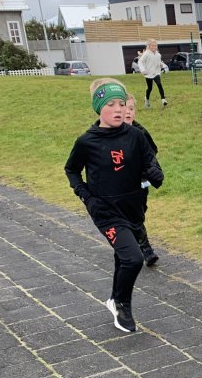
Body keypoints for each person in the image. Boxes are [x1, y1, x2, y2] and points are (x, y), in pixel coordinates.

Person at [65, 78, 163, 332]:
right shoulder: (87, 141)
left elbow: (149, 160)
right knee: (133, 258)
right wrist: (87, 197)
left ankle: (115, 298)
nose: (118, 109)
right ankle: (121, 303)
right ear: (99, 108)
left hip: (132, 206)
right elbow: (72, 170)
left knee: (124, 255)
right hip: (106, 211)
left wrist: (154, 173)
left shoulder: (136, 135)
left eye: (121, 104)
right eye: (111, 104)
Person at [123, 95, 160, 266]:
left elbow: (152, 152)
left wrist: (150, 168)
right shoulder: (110, 134)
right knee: (132, 215)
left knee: (139, 212)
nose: (128, 112)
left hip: (141, 181)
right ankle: (146, 250)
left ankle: (133, 238)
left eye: (131, 109)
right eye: (125, 108)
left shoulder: (141, 132)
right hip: (121, 184)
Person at [138, 39, 167, 108]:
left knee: (159, 84)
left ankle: (163, 99)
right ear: (149, 46)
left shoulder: (158, 55)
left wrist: (161, 65)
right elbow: (140, 61)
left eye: (155, 46)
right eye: (152, 46)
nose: (154, 47)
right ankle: (147, 99)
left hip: (156, 73)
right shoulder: (146, 54)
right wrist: (143, 70)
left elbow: (159, 62)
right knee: (149, 88)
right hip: (148, 74)